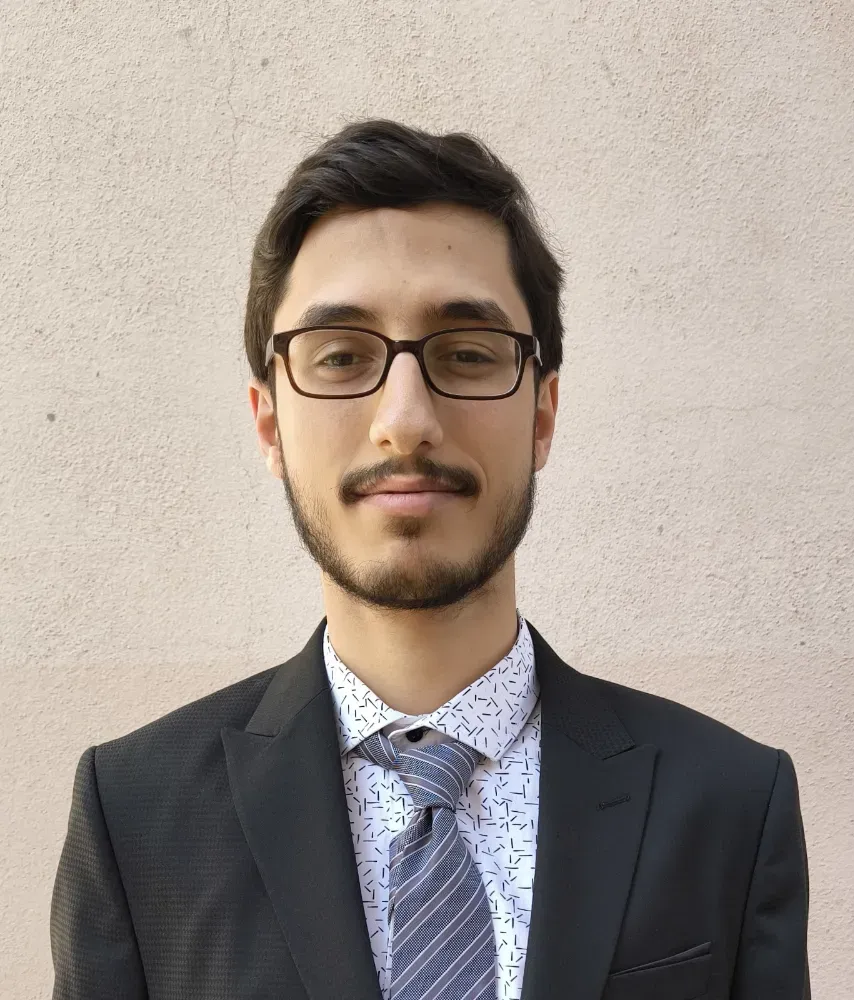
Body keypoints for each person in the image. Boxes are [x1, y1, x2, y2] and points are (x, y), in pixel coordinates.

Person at [50, 119, 810, 1000]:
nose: (405, 421)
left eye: (468, 354)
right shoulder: (135, 815)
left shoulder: (729, 802)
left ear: (542, 414)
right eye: (341, 356)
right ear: (269, 424)